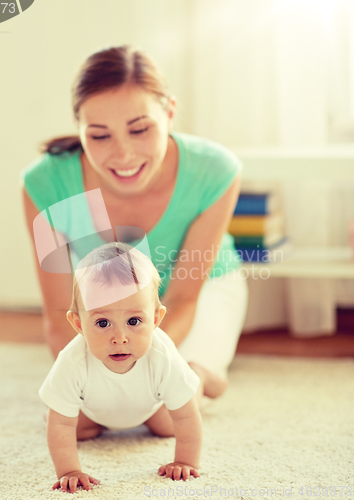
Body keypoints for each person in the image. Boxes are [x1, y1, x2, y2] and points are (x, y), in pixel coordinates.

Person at [21, 45, 248, 397]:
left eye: (140, 129)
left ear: (170, 113)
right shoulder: (44, 185)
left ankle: (206, 376)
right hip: (107, 306)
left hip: (199, 290)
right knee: (90, 411)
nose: (123, 154)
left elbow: (185, 297)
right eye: (99, 135)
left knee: (168, 401)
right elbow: (58, 309)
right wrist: (93, 378)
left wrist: (135, 368)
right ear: (79, 127)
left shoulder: (215, 170)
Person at [40, 242, 203, 492]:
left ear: (156, 319)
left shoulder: (162, 355)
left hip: (150, 407)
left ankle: (199, 376)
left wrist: (184, 461)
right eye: (103, 322)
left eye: (134, 321)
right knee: (65, 423)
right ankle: (94, 418)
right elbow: (61, 425)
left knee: (168, 425)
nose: (119, 338)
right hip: (96, 408)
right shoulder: (72, 360)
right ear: (78, 324)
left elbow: (186, 416)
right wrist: (70, 471)